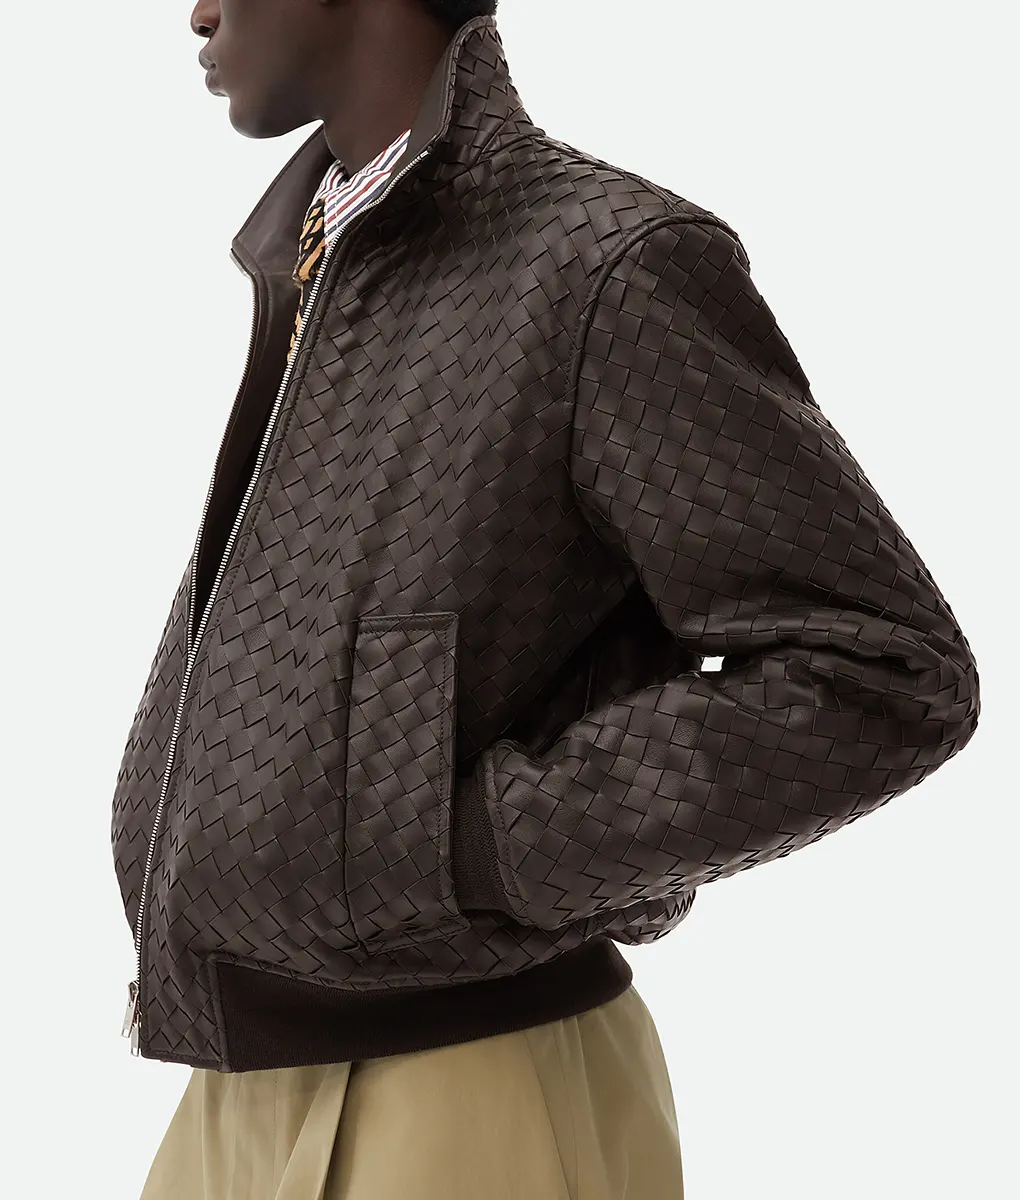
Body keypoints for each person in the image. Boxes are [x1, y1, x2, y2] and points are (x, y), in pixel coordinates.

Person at [111, 3, 981, 1198]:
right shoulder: (328, 247)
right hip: (232, 1086)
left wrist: (473, 846)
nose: (197, 9)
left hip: (472, 1082)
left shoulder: (599, 262)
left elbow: (882, 670)